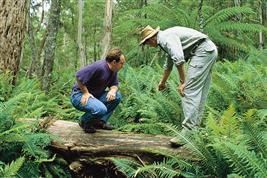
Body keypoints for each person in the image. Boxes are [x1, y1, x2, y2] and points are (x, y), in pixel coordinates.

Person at [139, 25, 218, 145]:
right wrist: (163, 82)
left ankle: (188, 132)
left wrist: (183, 82)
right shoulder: (165, 38)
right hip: (209, 50)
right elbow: (169, 63)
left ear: (151, 38)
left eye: (147, 43)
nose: (148, 45)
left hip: (202, 52)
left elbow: (179, 59)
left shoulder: (165, 38)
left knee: (188, 91)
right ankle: (195, 130)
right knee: (200, 92)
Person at [70, 48, 125, 133]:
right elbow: (78, 75)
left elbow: (115, 84)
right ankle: (84, 121)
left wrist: (113, 90)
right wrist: (85, 93)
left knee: (117, 96)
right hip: (79, 95)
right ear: (114, 62)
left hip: (95, 96)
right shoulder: (99, 67)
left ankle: (100, 122)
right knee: (101, 109)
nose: (122, 66)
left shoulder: (113, 70)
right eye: (121, 63)